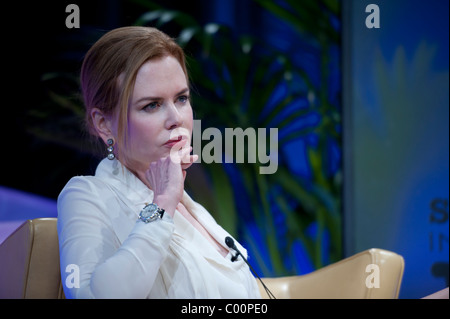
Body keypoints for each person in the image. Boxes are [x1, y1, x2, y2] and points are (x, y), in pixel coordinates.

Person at [57, 26, 262, 299]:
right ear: (104, 123)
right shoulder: (86, 195)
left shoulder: (192, 206)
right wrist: (163, 202)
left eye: (182, 98)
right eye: (152, 105)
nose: (176, 118)